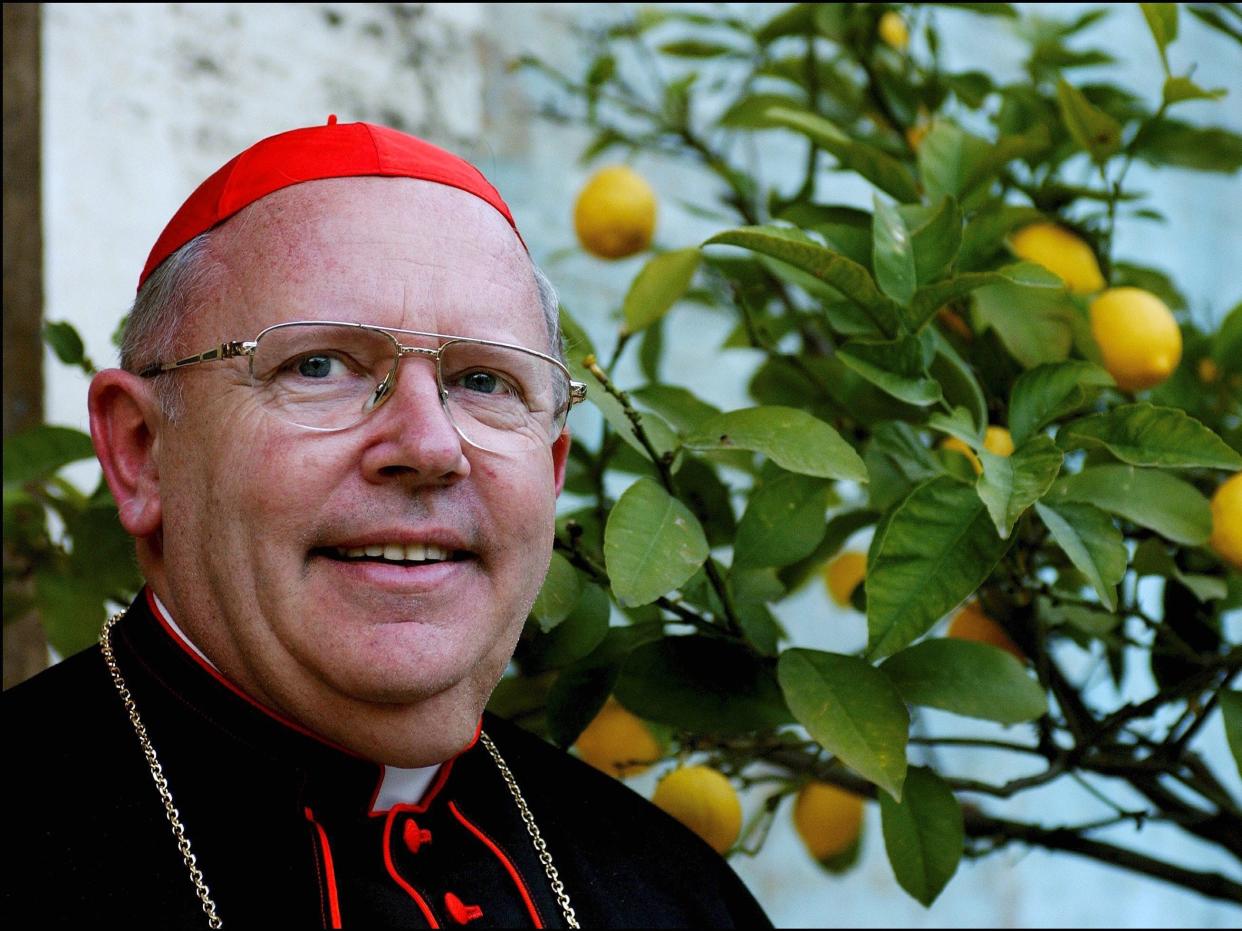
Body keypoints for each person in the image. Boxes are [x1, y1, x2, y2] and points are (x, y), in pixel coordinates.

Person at [5, 118, 772, 929]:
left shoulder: (678, 896)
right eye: (319, 365)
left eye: (485, 380)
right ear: (143, 451)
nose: (431, 445)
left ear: (548, 473)